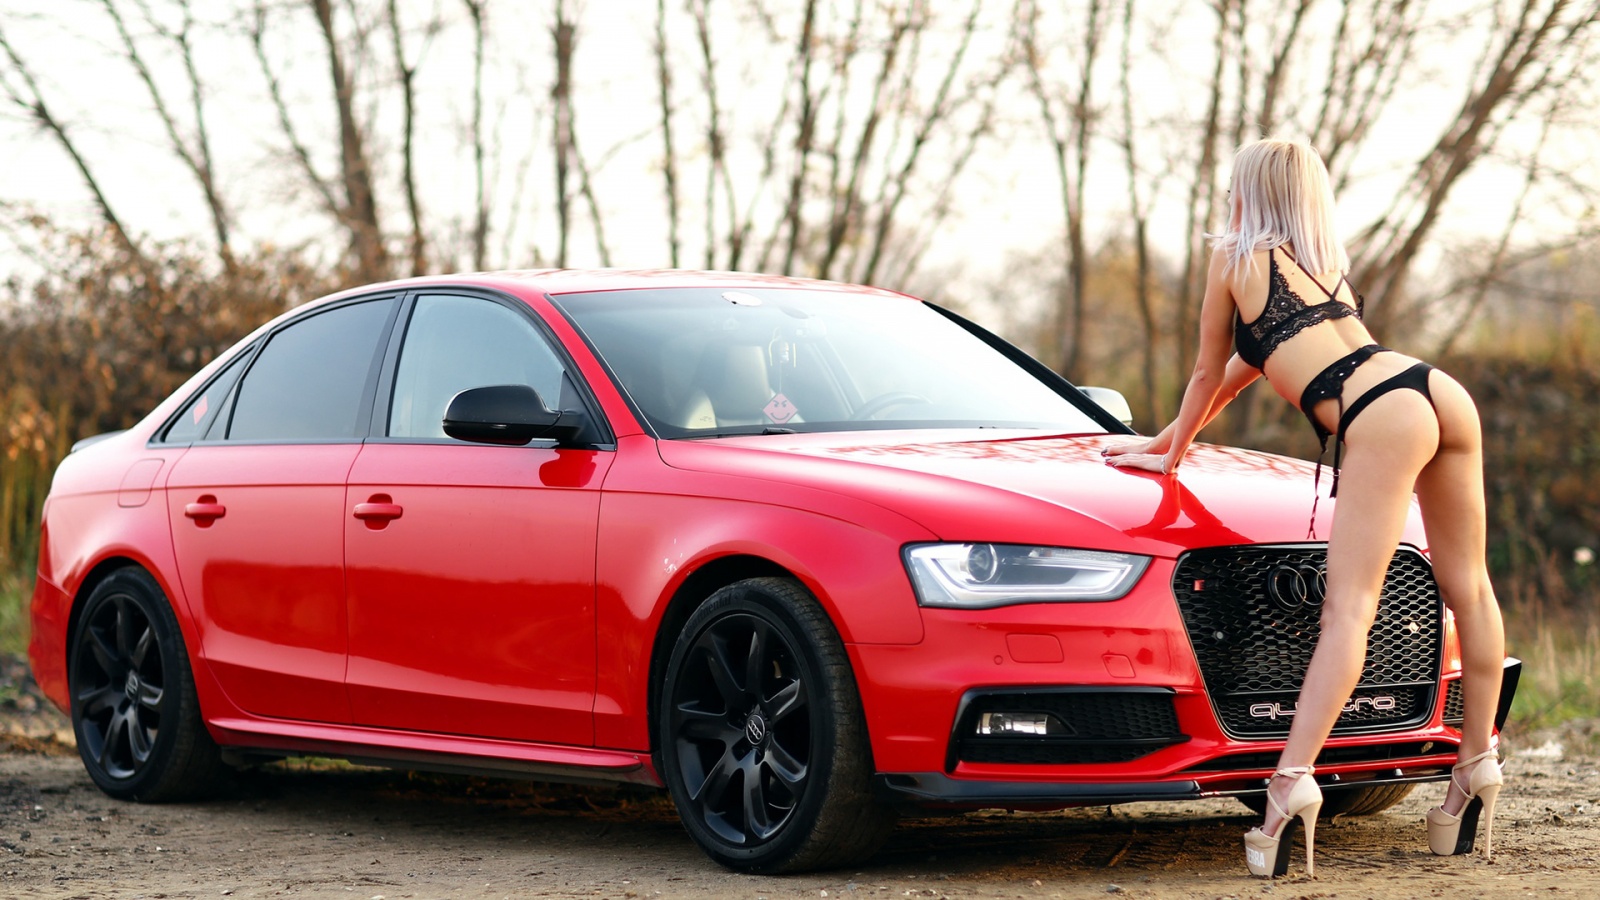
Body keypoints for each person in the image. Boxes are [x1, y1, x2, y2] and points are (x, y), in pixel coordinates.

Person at [1102, 138, 1507, 878]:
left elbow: (1202, 370)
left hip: (1381, 415)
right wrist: (1168, 440)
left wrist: (1169, 456)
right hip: (1436, 390)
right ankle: (1473, 767)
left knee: (1348, 609)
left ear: (1246, 190)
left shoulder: (1235, 258)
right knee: (1471, 590)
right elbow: (1239, 372)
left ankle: (1289, 784)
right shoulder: (1329, 265)